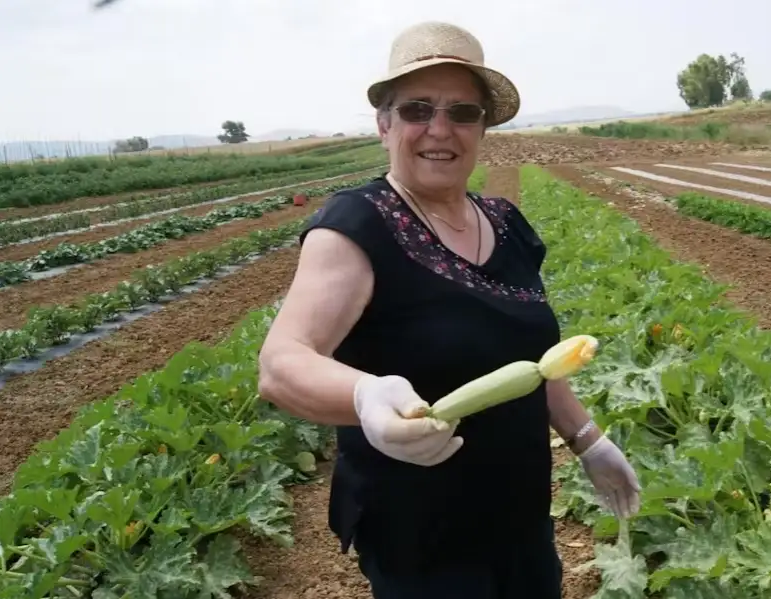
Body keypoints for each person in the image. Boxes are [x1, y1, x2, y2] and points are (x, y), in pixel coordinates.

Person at [257, 21, 640, 599]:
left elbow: (531, 360)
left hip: (522, 519)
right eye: (418, 109)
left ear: (482, 127)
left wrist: (587, 439)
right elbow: (282, 363)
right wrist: (365, 396)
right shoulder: (356, 226)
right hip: (423, 541)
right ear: (384, 123)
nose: (441, 129)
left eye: (463, 112)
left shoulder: (506, 224)